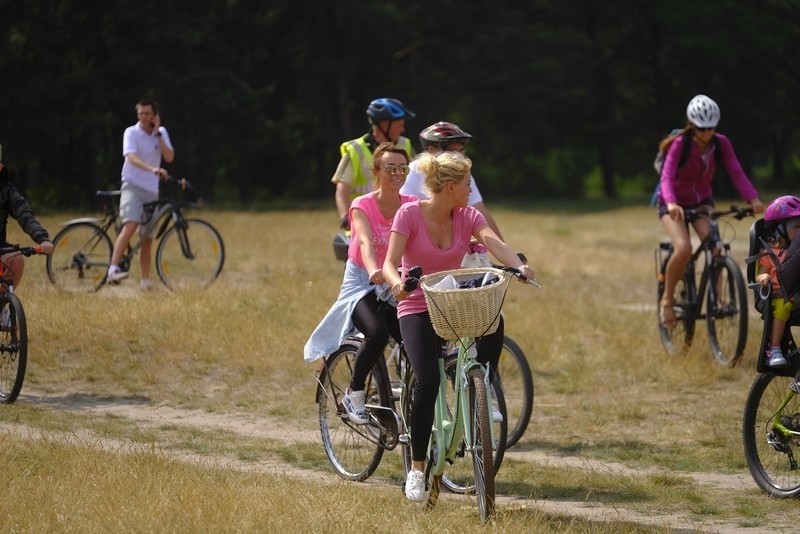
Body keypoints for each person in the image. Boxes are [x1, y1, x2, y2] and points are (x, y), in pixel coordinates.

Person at [382, 150, 535, 502]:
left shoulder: (466, 216)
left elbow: (494, 243)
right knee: (429, 380)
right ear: (450, 187)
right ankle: (417, 469)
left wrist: (518, 266)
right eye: (467, 184)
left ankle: (479, 384)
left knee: (493, 320)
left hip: (451, 303)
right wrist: (397, 284)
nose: (471, 189)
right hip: (417, 305)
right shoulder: (409, 214)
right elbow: (391, 262)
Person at [304, 144, 417, 422]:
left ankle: (412, 395)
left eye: (402, 168)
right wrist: (374, 269)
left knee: (414, 337)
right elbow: (365, 242)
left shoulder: (412, 203)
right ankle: (354, 392)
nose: (397, 173)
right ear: (377, 171)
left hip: (394, 280)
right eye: (390, 168)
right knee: (377, 333)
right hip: (361, 281)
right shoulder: (362, 204)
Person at [657, 94, 764, 327]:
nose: (706, 133)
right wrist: (673, 202)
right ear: (692, 125)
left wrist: (752, 198)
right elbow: (666, 176)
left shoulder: (720, 143)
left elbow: (736, 171)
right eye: (702, 128)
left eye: (710, 128)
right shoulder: (680, 144)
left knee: (716, 248)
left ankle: (719, 301)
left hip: (701, 200)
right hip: (671, 202)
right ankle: (667, 301)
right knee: (684, 248)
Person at [106, 99, 175, 289]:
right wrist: (152, 168)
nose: (144, 117)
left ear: (154, 115)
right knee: (131, 224)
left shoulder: (161, 133)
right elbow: (131, 156)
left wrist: (158, 132)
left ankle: (145, 280)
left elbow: (169, 157)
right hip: (132, 185)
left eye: (147, 113)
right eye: (141, 113)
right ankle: (112, 269)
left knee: (147, 237)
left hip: (151, 190)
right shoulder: (131, 132)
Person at [401, 121, 504, 239]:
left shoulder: (462, 173)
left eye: (461, 151)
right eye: (453, 152)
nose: (459, 158)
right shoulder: (413, 171)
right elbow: (405, 214)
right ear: (432, 150)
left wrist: (508, 249)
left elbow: (481, 212)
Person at [331, 98, 415, 231]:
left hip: (397, 226)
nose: (402, 129)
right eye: (399, 125)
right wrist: (346, 218)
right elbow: (342, 190)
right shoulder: (355, 150)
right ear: (384, 124)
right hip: (362, 225)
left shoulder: (405, 145)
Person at [0, 160, 54, 306]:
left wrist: (42, 238)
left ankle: (1, 306)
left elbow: (24, 215)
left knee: (15, 259)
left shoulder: (6, 190)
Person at [755, 196, 800, 368]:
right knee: (783, 307)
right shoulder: (770, 253)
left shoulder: (797, 252)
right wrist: (764, 277)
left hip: (795, 295)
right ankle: (774, 349)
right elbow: (761, 274)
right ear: (780, 229)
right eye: (798, 227)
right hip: (776, 295)